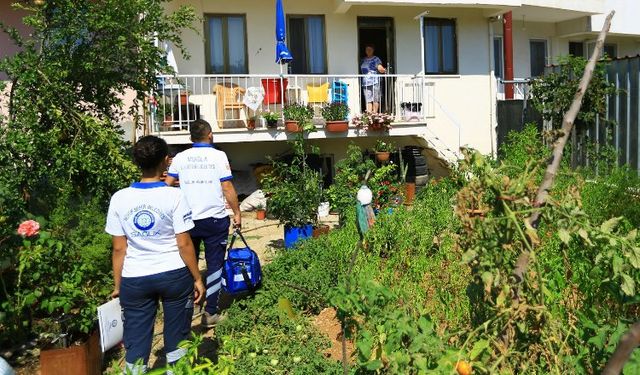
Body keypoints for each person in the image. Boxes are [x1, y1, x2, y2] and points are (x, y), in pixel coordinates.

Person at [105, 136, 204, 373]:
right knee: (178, 333)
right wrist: (197, 277)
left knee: (136, 338)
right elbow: (183, 243)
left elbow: (119, 248)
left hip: (135, 277)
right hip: (174, 275)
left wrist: (119, 284)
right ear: (166, 161)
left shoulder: (120, 198)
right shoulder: (175, 196)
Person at [164, 119, 241, 327]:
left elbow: (167, 185)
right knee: (215, 265)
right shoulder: (218, 156)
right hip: (214, 220)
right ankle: (210, 313)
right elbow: (226, 186)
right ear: (210, 135)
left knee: (189, 265)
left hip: (186, 221)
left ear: (191, 138)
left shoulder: (180, 158)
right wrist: (237, 212)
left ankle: (186, 312)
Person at [360, 44, 386, 113]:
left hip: (375, 82)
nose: (368, 51)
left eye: (370, 49)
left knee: (375, 99)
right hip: (365, 82)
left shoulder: (376, 59)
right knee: (368, 100)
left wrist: (382, 69)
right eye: (367, 49)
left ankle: (374, 115)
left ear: (373, 50)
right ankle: (369, 116)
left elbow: (380, 68)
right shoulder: (363, 60)